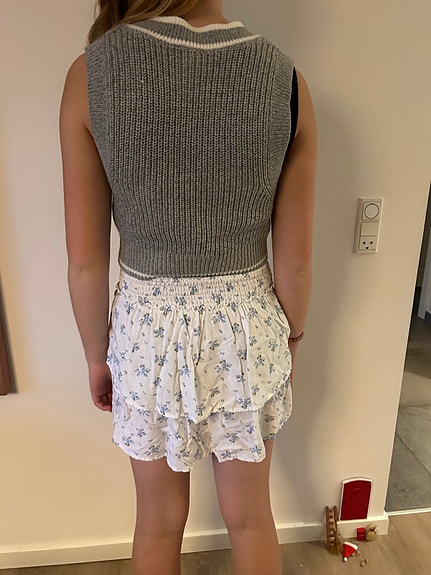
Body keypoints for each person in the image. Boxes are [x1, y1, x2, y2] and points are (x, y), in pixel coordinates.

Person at [60, 0, 317, 574]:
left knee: (156, 520)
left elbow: (84, 265)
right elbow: (296, 265)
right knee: (250, 517)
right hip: (245, 328)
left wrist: (98, 358)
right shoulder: (285, 78)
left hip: (146, 332)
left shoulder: (91, 73)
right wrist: (290, 343)